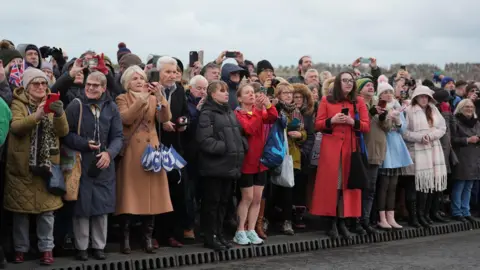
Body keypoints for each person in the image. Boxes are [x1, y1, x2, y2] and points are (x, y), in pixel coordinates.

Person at [4, 68, 68, 265]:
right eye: (35, 84)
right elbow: (15, 127)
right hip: (22, 166)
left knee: (47, 213)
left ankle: (46, 249)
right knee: (21, 213)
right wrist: (37, 115)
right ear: (26, 86)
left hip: (47, 166)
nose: (41, 87)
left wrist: (58, 115)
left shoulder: (53, 103)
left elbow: (63, 131)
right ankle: (20, 250)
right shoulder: (17, 103)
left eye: (43, 84)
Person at [62, 71, 123, 261]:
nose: (90, 87)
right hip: (81, 162)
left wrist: (109, 153)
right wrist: (83, 143)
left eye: (96, 85)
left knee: (101, 206)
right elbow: (65, 134)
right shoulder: (75, 105)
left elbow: (118, 137)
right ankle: (81, 247)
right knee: (82, 206)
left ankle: (99, 246)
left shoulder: (111, 107)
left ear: (104, 88)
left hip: (103, 163)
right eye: (88, 84)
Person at [115, 66, 173, 254]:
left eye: (141, 77)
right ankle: (125, 238)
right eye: (134, 79)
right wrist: (141, 100)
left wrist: (161, 97)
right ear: (127, 83)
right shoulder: (122, 98)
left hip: (152, 151)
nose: (139, 81)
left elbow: (165, 118)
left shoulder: (153, 97)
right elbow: (126, 118)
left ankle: (147, 237)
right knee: (129, 195)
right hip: (133, 151)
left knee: (152, 196)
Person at [310, 71, 370, 240]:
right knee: (333, 187)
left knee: (347, 187)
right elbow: (318, 124)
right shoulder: (326, 100)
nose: (349, 83)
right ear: (338, 83)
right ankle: (332, 222)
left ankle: (343, 221)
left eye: (351, 81)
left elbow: (366, 126)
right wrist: (333, 120)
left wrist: (353, 122)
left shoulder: (358, 101)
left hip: (350, 150)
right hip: (331, 150)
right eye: (345, 80)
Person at [196, 80, 247, 251]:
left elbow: (238, 132)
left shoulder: (229, 112)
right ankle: (210, 236)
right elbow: (205, 140)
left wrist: (241, 146)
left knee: (224, 202)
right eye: (222, 90)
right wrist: (226, 148)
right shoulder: (207, 113)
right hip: (214, 167)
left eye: (226, 90)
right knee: (212, 203)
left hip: (229, 166)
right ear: (212, 94)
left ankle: (219, 234)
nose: (226, 93)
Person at [234, 83, 278, 244]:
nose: (252, 95)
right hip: (247, 161)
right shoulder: (238, 114)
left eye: (253, 92)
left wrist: (267, 104)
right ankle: (240, 230)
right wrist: (260, 110)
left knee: (257, 198)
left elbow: (273, 117)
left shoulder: (258, 111)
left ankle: (251, 229)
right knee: (247, 197)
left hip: (261, 161)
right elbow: (249, 129)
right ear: (239, 98)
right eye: (247, 93)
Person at [402, 86, 447, 229]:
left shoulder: (433, 110)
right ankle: (413, 217)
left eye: (426, 96)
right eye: (421, 96)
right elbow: (404, 132)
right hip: (415, 152)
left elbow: (442, 128)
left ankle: (423, 215)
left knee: (427, 187)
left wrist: (430, 136)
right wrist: (421, 137)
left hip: (433, 151)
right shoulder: (409, 111)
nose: (424, 99)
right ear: (416, 97)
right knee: (413, 188)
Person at [450, 99, 480, 223]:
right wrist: (467, 140)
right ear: (461, 107)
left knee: (469, 186)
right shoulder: (455, 120)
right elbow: (452, 139)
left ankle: (466, 211)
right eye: (466, 106)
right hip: (461, 156)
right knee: (459, 185)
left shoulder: (477, 122)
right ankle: (457, 211)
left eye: (471, 107)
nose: (469, 109)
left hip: (474, 156)